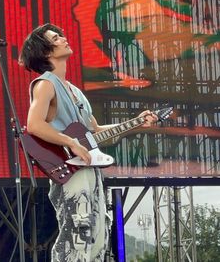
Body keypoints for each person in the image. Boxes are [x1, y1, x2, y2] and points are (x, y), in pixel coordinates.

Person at [19, 23, 158, 262]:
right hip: (70, 170)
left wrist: (136, 122)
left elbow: (95, 132)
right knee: (78, 234)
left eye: (61, 34)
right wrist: (70, 143)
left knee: (99, 236)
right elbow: (34, 124)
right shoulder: (45, 84)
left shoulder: (74, 91)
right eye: (56, 37)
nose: (63, 38)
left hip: (90, 168)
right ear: (45, 52)